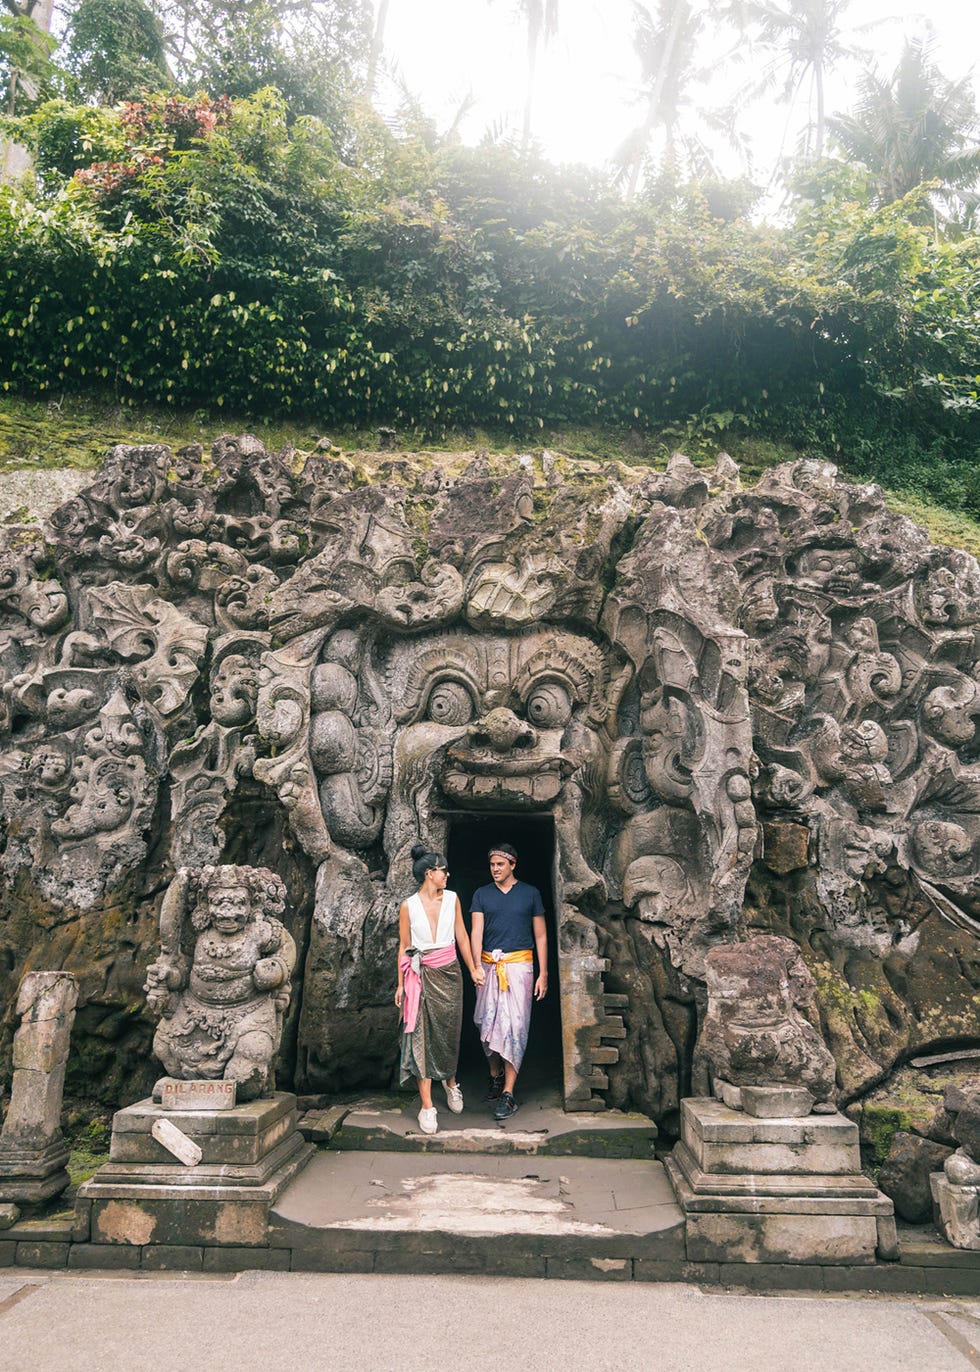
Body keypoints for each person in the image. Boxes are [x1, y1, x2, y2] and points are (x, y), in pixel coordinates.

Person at [395, 843, 485, 1135]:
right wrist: (400, 984)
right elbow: (405, 947)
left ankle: (450, 1083)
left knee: (447, 1033)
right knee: (421, 1036)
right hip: (419, 976)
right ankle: (426, 1106)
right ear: (429, 873)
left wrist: (473, 968)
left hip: (449, 973)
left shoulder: (453, 899)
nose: (447, 874)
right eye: (443, 870)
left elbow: (461, 934)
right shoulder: (408, 905)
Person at [470, 844, 547, 1121]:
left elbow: (540, 936)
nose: (495, 869)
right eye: (492, 865)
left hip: (520, 968)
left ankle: (509, 1093)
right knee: (485, 1024)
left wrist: (544, 973)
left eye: (500, 865)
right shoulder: (481, 894)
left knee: (515, 1026)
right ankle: (495, 1075)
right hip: (489, 967)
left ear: (513, 865)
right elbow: (475, 933)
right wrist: (475, 966)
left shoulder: (530, 894)